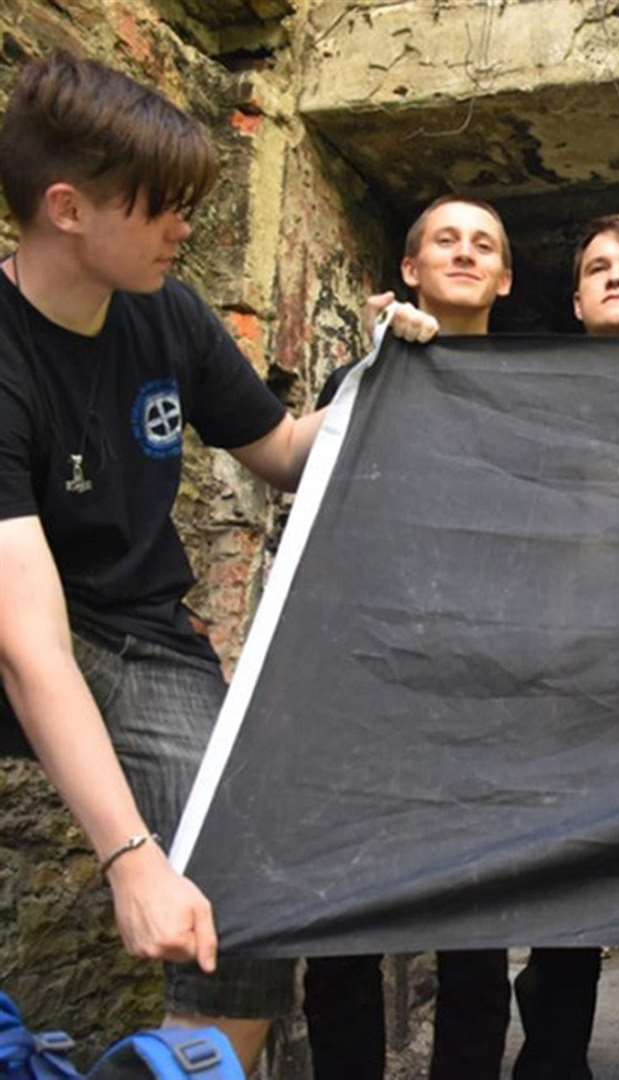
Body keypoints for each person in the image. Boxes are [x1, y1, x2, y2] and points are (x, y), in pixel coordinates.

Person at [0, 52, 328, 1072]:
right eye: (162, 209)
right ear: (67, 208)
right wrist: (130, 856)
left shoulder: (167, 312)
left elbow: (281, 453)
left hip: (141, 638)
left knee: (251, 870)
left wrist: (399, 377)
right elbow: (29, 644)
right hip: (27, 622)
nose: (186, 230)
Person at [301, 195, 515, 1080]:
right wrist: (379, 367)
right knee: (342, 920)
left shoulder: (537, 395)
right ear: (408, 267)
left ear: (505, 278)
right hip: (366, 689)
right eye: (445, 241)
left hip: (485, 689)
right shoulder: (357, 385)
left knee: (475, 935)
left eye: (484, 245)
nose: (464, 254)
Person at [509, 213, 619, 1080]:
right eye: (597, 268)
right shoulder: (525, 398)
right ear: (575, 299)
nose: (616, 276)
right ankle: (550, 1065)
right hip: (564, 683)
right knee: (563, 910)